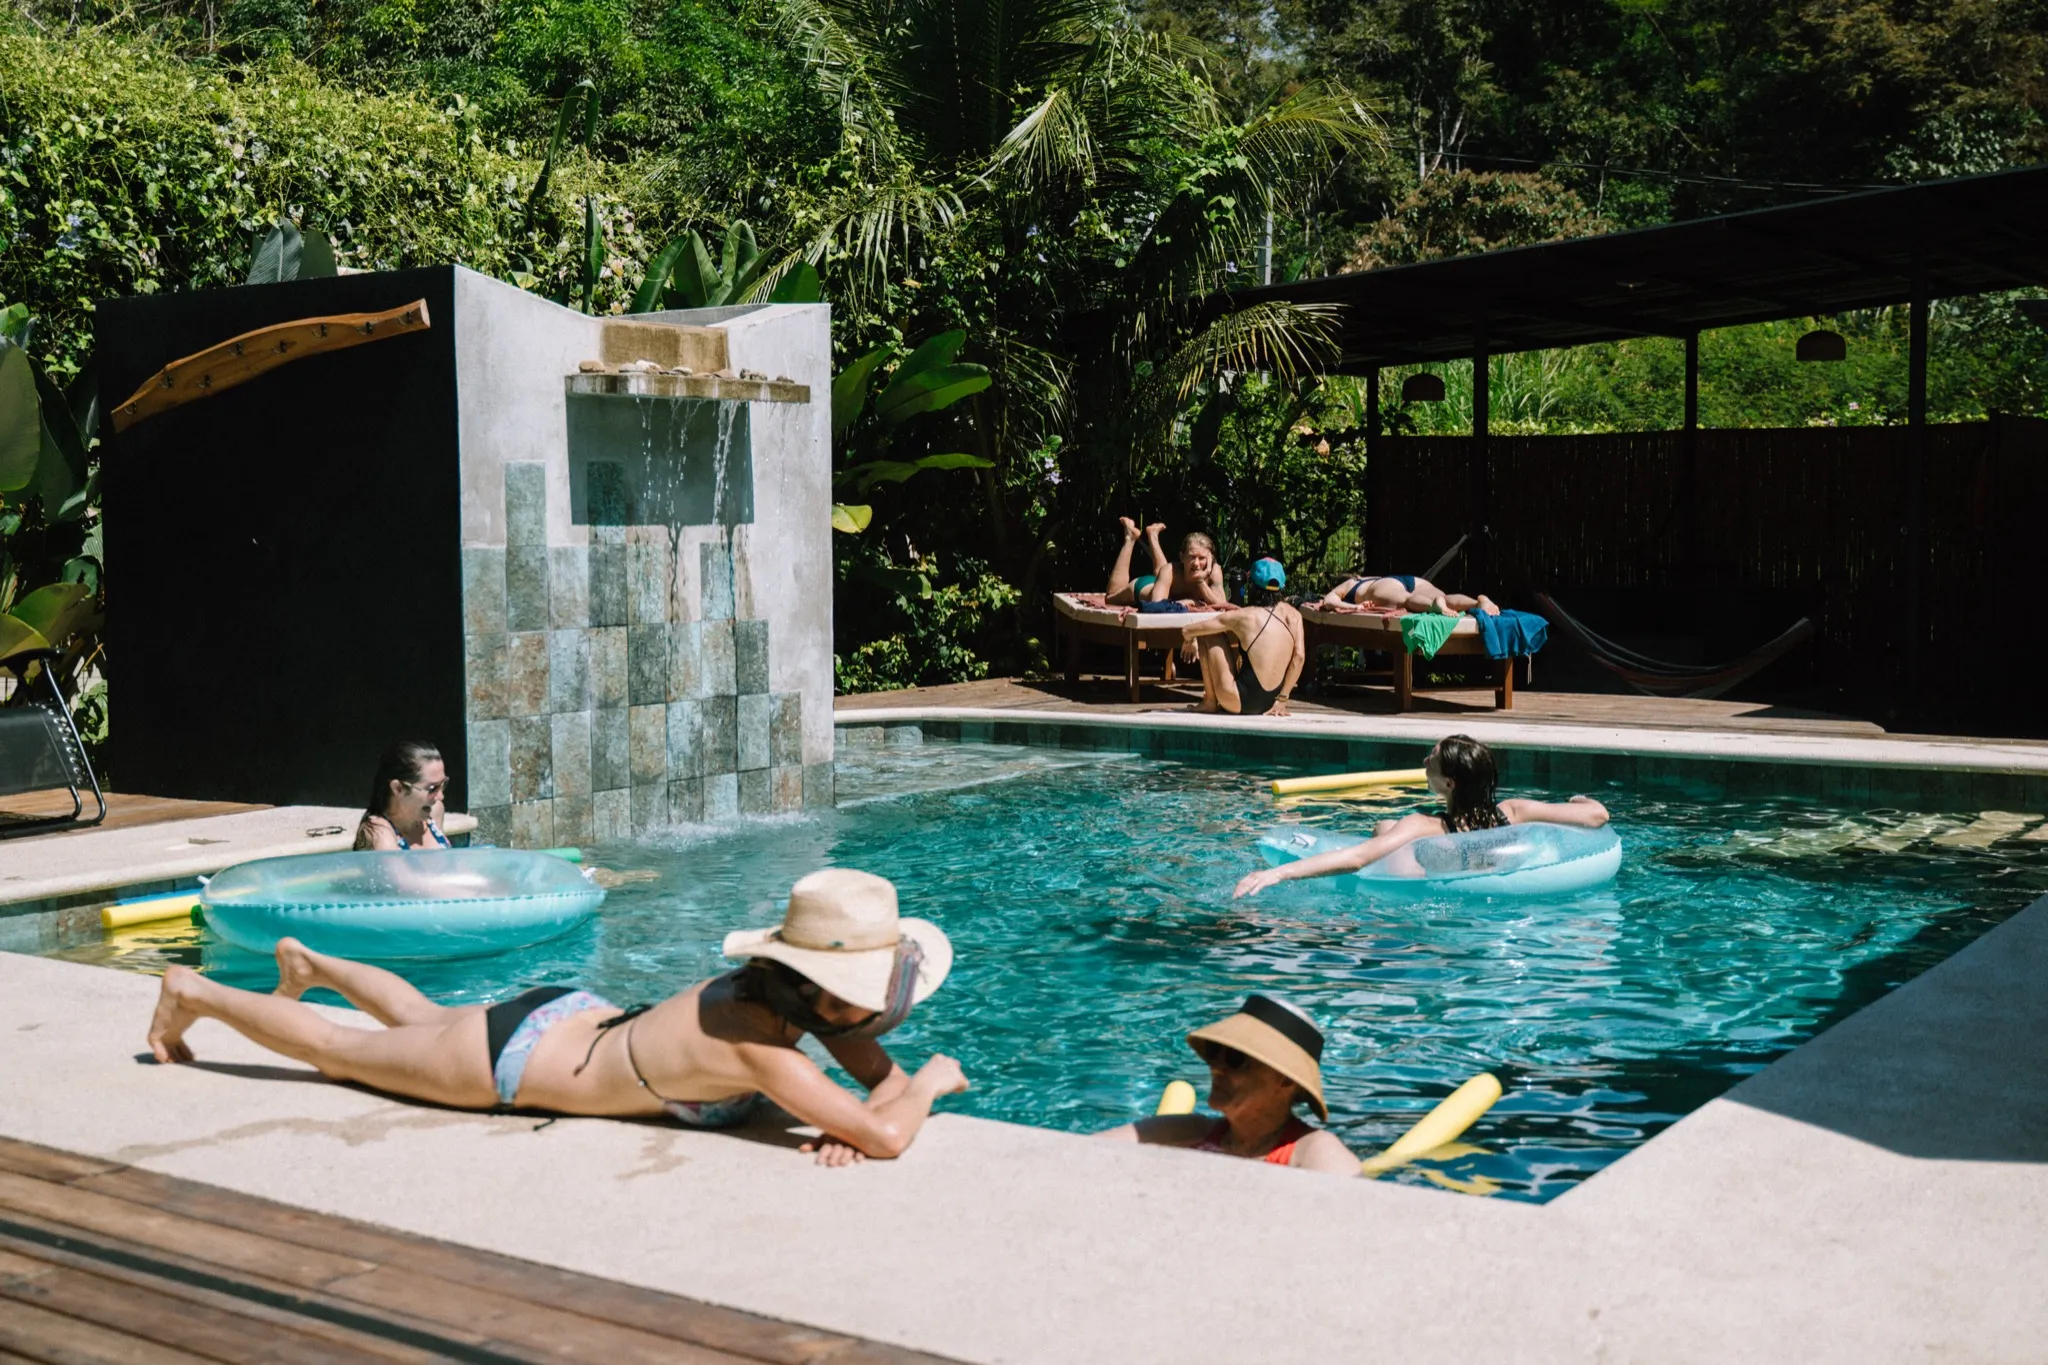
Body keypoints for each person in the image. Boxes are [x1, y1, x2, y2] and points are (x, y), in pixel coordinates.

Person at [145, 869, 969, 1165]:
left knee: (423, 1016)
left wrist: (865, 1109)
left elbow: (872, 1092)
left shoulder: (786, 999)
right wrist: (928, 1083)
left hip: (568, 1021)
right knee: (338, 1050)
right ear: (826, 985)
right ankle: (198, 993)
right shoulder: (766, 1052)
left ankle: (312, 963)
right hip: (513, 1062)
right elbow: (889, 1125)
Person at [1234, 734, 1610, 896]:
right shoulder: (1513, 812)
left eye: (1431, 758)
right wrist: (1577, 799)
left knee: (1384, 827)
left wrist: (1277, 872)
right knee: (1386, 827)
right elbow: (1597, 816)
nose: (1424, 761)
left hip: (1427, 908)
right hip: (1497, 891)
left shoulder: (1424, 826)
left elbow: (1357, 859)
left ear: (1448, 783)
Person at [1098, 995, 1358, 1174]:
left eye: (1235, 1059)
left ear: (1286, 1080)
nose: (1216, 1067)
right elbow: (1079, 1153)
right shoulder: (1190, 1131)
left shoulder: (1312, 1151)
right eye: (1214, 1052)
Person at [1180, 557, 1304, 716]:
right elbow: (1299, 657)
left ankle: (1209, 701)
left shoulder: (1244, 616)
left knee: (1209, 634)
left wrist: (1189, 640)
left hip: (1239, 701)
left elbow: (1187, 630)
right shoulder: (1294, 615)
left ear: (1251, 585)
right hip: (1271, 703)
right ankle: (1278, 700)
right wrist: (1282, 699)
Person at [1104, 518, 1227, 609]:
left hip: (1162, 581)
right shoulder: (1170, 571)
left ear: (1210, 558)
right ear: (1182, 557)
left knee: (1163, 572)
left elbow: (1223, 607)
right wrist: (1191, 601)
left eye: (1202, 558)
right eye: (1192, 557)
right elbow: (1156, 607)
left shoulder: (1214, 572)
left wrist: (1200, 581)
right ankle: (1130, 538)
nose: (1196, 563)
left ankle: (1152, 535)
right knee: (1110, 598)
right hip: (1143, 587)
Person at [354, 741, 452, 850]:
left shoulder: (434, 812)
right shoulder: (380, 833)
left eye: (443, 784)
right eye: (432, 789)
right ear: (398, 788)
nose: (440, 796)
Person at [1320, 572, 1499, 617]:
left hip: (1380, 587)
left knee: (1406, 601)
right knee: (1445, 597)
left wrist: (1355, 606)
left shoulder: (1352, 584)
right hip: (1411, 580)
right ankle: (1477, 602)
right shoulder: (1367, 576)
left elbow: (1329, 600)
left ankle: (1433, 606)